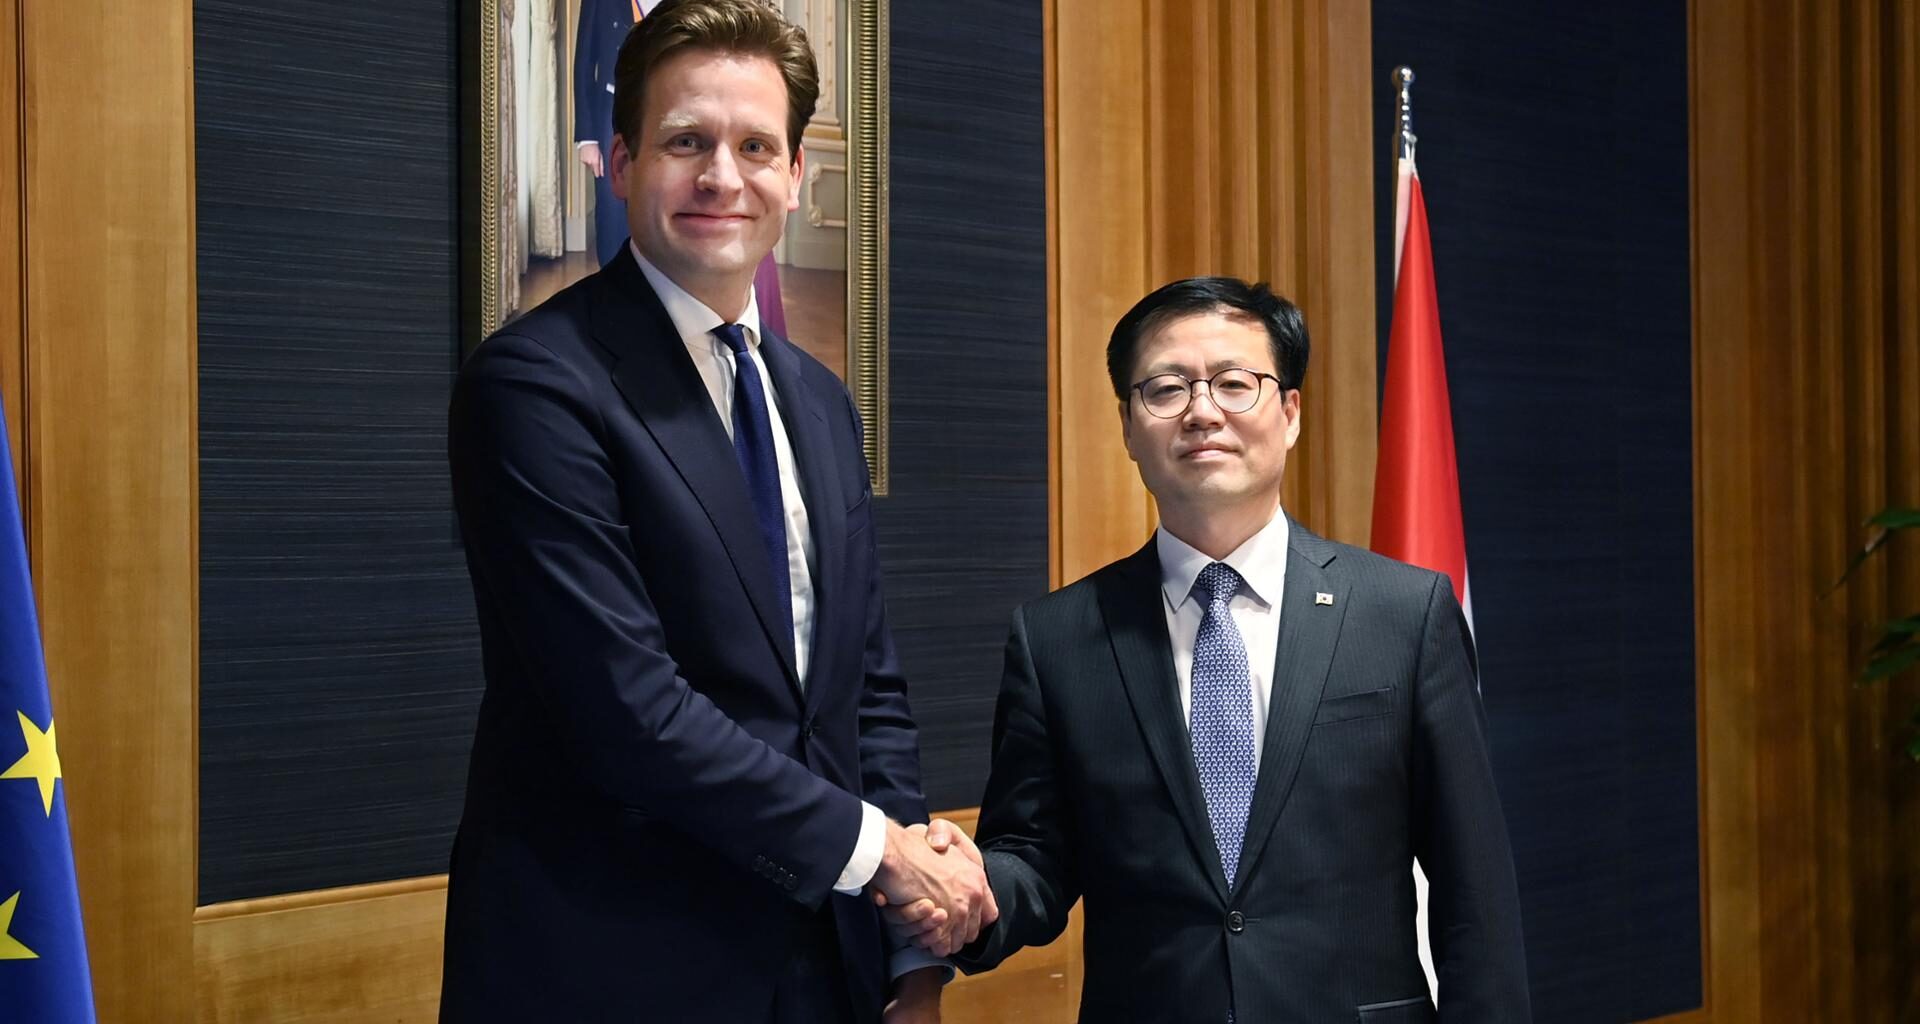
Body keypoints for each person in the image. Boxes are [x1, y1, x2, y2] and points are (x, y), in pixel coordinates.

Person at [441, 2, 990, 1021]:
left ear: (796, 174)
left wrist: (911, 948)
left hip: (823, 967)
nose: (722, 178)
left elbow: (865, 692)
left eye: (756, 147)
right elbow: (628, 712)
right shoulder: (534, 386)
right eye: (687, 142)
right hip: (614, 966)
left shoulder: (819, 401)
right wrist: (882, 853)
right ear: (621, 161)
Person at [940, 277, 1531, 1021]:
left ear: (1290, 413)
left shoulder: (1404, 614)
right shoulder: (1056, 638)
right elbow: (1035, 860)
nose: (1202, 411)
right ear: (1127, 427)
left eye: (1233, 383)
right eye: (1166, 389)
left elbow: (1475, 890)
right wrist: (968, 891)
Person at [574, 0, 635, 265]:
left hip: (664, 109)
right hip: (611, 111)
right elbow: (584, 62)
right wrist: (586, 137)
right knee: (612, 211)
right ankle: (611, 285)